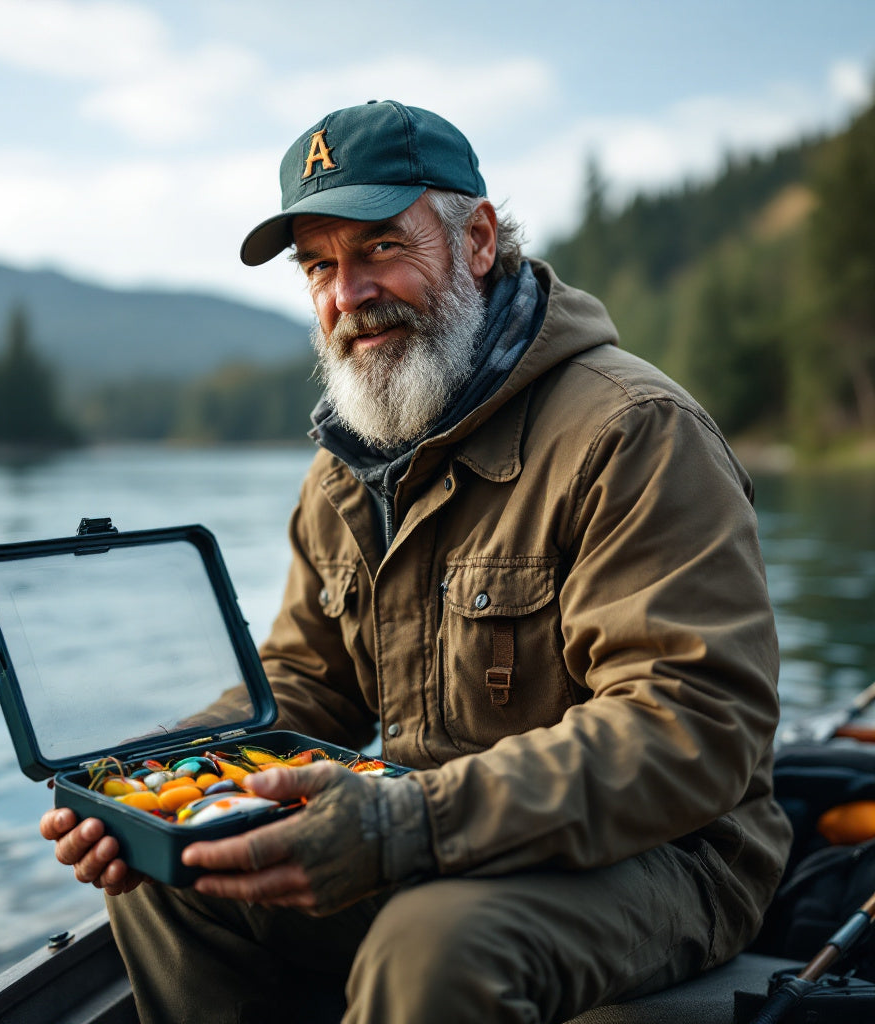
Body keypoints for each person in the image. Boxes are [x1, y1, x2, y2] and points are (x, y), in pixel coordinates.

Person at [41, 99, 793, 1024]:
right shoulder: (348, 469)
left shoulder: (631, 431)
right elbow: (305, 688)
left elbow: (694, 727)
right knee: (176, 870)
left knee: (436, 940)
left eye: (379, 249)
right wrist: (145, 785)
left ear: (477, 239)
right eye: (319, 264)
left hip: (665, 858)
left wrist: (409, 825)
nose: (347, 294)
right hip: (419, 836)